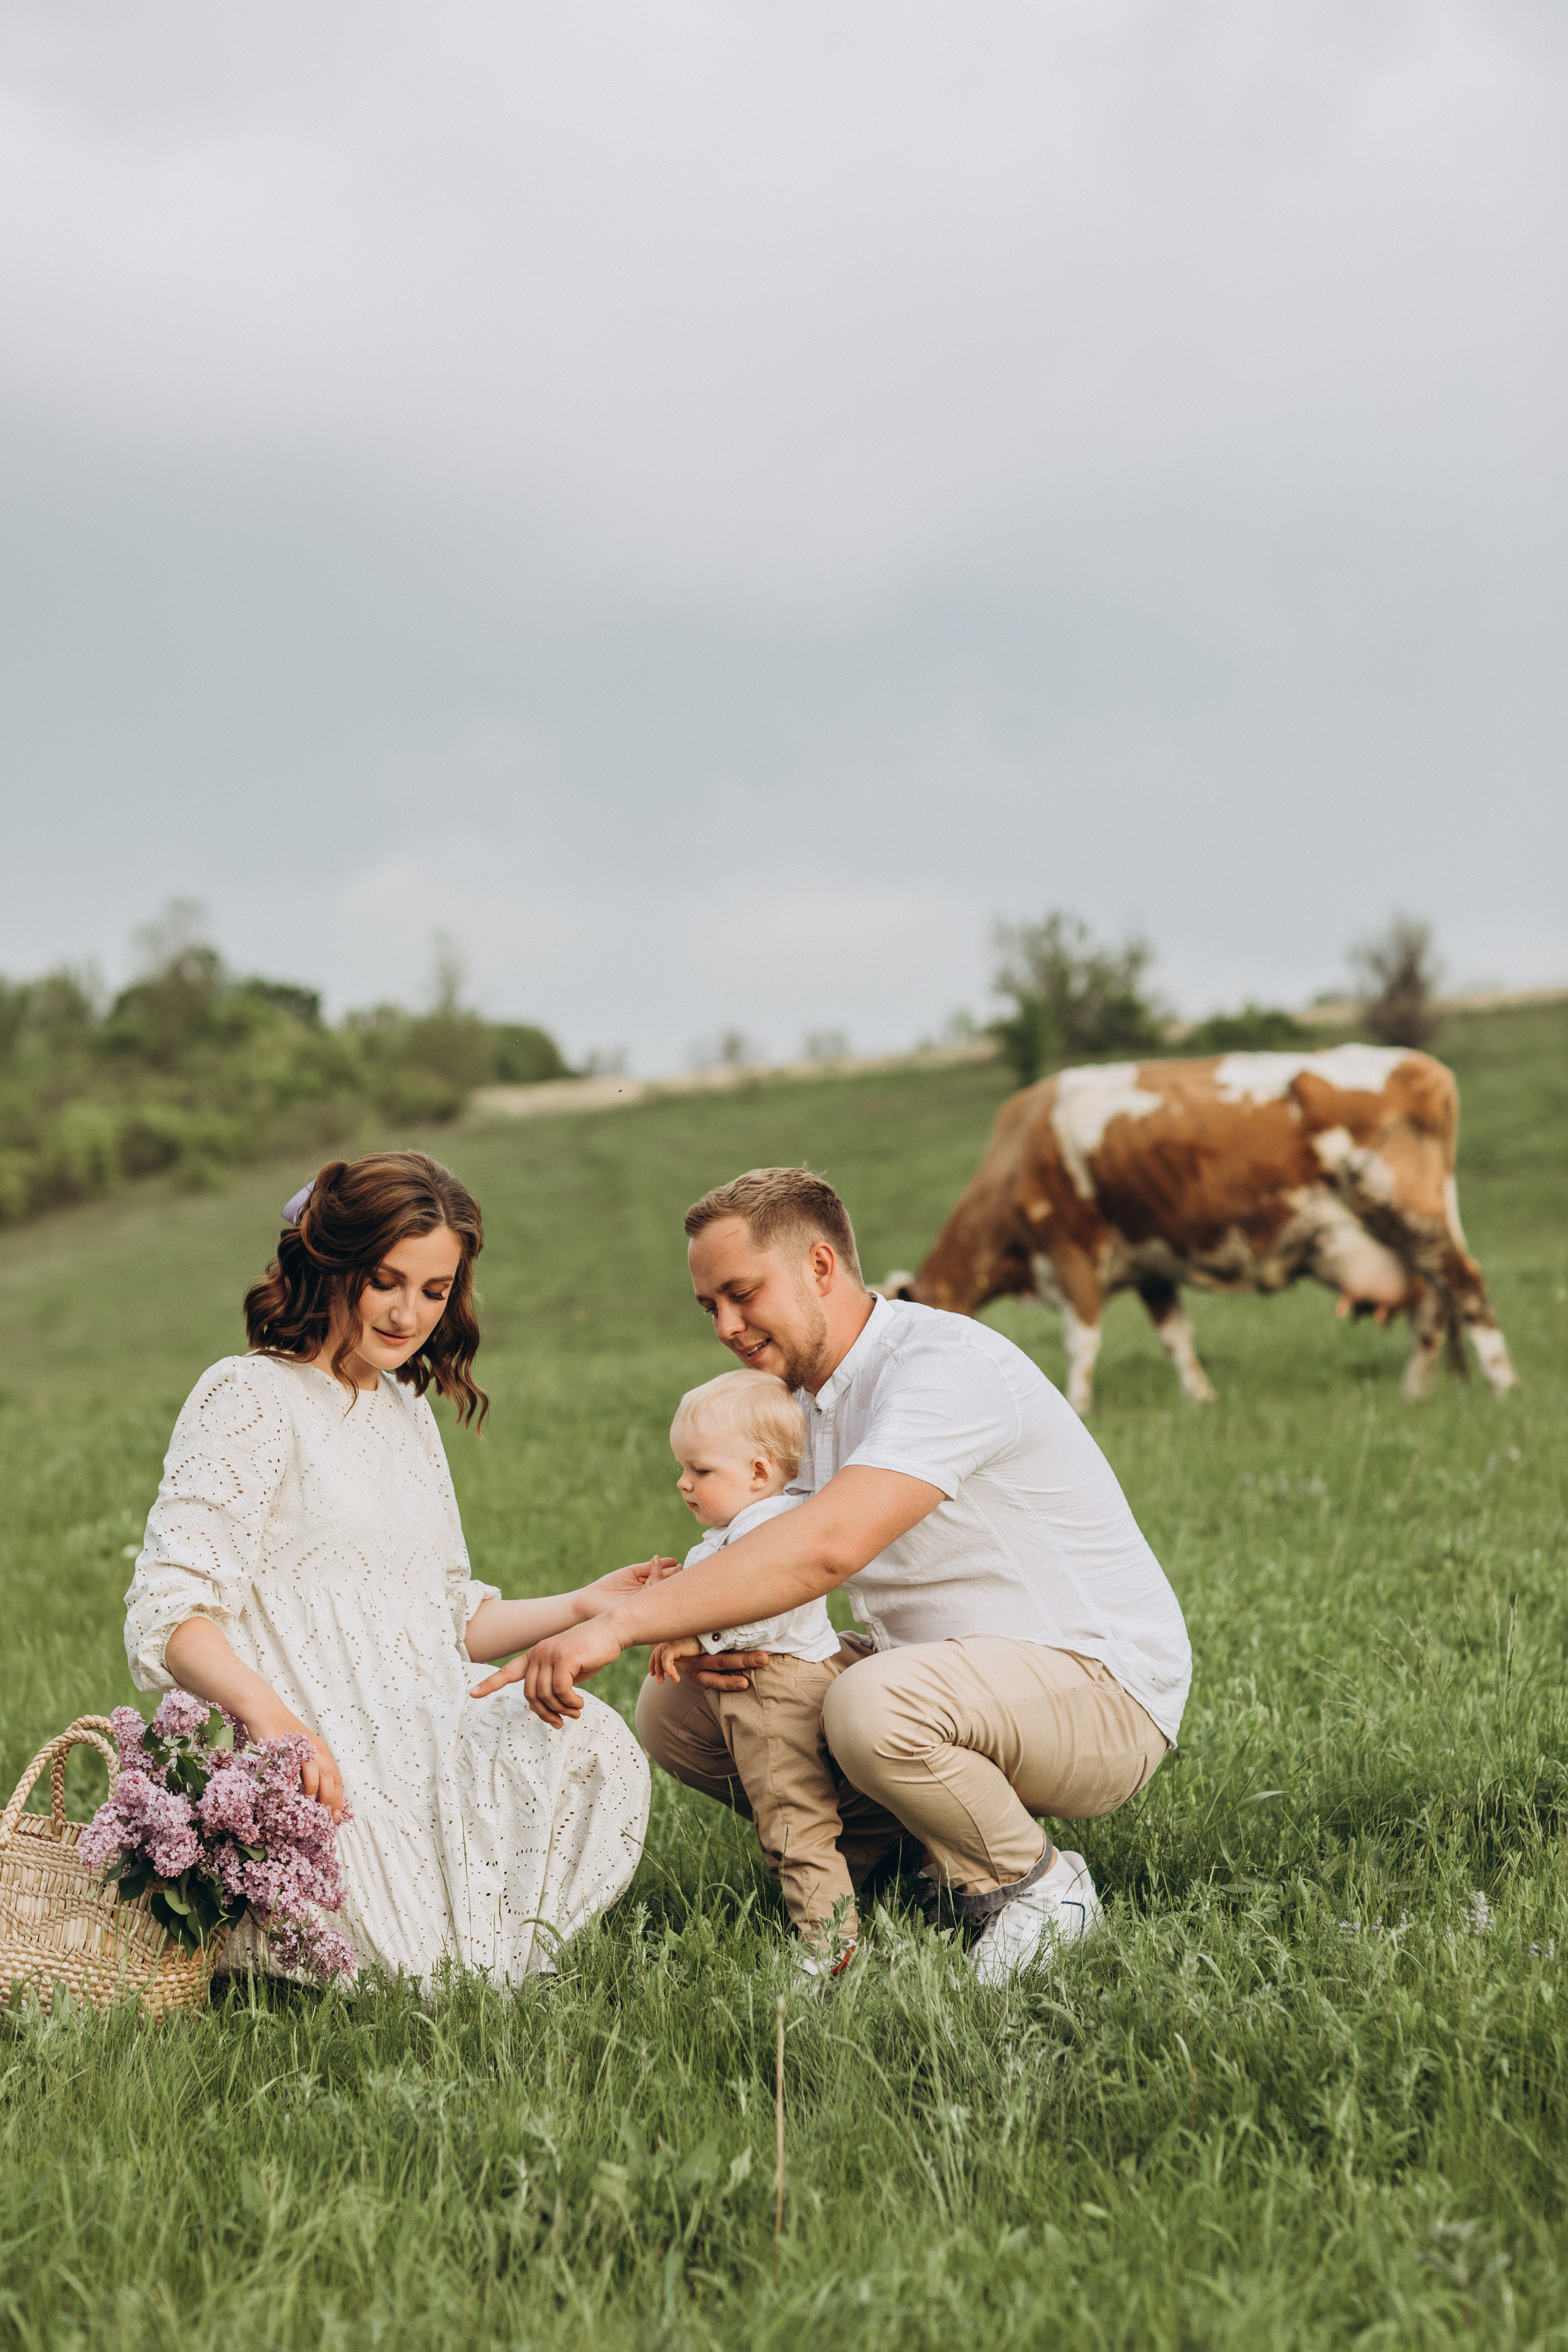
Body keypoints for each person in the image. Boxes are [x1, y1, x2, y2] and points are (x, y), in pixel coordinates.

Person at [489, 1166, 1191, 1985]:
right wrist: (676, 1620)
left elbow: (826, 1548)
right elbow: (759, 1559)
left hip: (1100, 1689)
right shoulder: (797, 1407)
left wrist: (612, 1627)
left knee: (874, 1703)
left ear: (821, 1268)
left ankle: (1035, 1887)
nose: (725, 1324)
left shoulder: (942, 1365)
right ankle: (904, 1867)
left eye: (742, 1294)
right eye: (709, 1306)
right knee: (679, 1704)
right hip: (952, 1683)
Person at [123, 1151, 654, 1985]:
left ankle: (498, 1958)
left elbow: (448, 1618)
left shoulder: (407, 1409)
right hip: (307, 1740)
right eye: (387, 1281)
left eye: (435, 1291)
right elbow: (170, 1614)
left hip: (419, 1725)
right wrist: (278, 1724)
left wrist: (584, 1604)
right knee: (406, 1969)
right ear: (331, 1267)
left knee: (591, 1741)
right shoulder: (248, 1395)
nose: (411, 1314)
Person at [646, 1370, 857, 1974]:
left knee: (794, 1822)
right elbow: (719, 1588)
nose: (683, 1483)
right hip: (763, 1687)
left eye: (701, 1471)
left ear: (760, 1473)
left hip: (774, 1689)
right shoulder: (736, 1530)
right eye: (683, 1468)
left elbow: (765, 1605)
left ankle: (830, 1947)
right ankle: (846, 1905)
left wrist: (696, 1629)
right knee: (792, 1814)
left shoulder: (769, 1533)